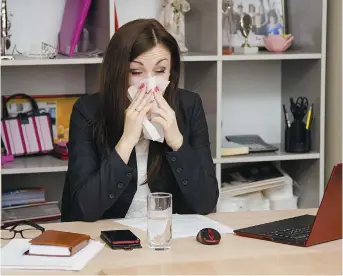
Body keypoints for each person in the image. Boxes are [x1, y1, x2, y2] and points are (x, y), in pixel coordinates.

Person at [60, 18, 219, 222]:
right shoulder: (87, 111)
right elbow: (85, 208)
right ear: (118, 73)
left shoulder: (189, 106)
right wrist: (126, 141)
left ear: (171, 72)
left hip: (169, 238)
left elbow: (206, 202)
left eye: (160, 71)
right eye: (136, 72)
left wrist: (177, 142)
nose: (149, 84)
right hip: (108, 238)